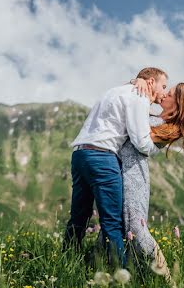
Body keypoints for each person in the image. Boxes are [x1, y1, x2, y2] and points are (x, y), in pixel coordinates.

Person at [63, 67, 168, 266]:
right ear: (151, 81)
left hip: (79, 155)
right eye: (163, 86)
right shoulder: (139, 95)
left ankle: (66, 262)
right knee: (113, 222)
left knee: (79, 216)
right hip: (102, 157)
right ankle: (121, 278)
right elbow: (141, 142)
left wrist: (134, 80)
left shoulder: (116, 90)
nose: (164, 92)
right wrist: (156, 149)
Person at [112, 82, 184, 280]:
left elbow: (137, 133)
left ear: (179, 102)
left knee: (136, 228)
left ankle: (167, 280)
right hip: (121, 171)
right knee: (115, 224)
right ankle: (117, 271)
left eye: (170, 93)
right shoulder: (156, 119)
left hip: (134, 177)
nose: (164, 94)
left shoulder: (171, 128)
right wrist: (137, 82)